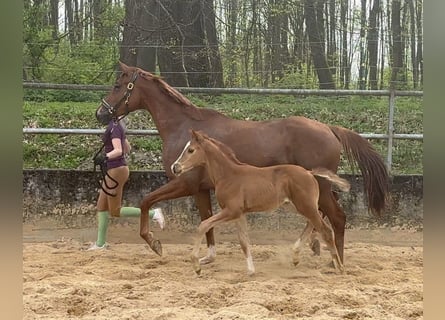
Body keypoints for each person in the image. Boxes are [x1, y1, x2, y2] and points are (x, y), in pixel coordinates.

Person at [88, 118, 165, 250]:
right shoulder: (117, 126)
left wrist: (105, 157)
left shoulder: (115, 126)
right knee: (101, 206)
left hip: (116, 170)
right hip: (115, 169)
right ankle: (100, 244)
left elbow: (118, 150)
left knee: (115, 211)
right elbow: (127, 148)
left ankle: (153, 214)